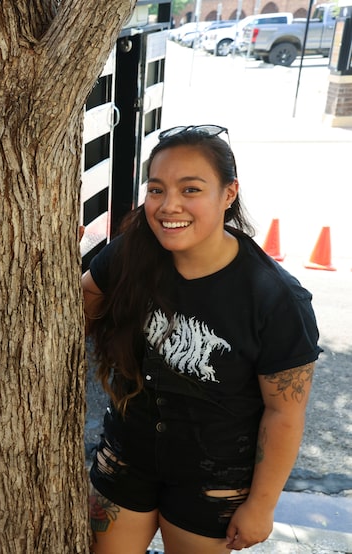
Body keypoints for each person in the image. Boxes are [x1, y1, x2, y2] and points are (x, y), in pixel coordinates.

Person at [82, 125, 321, 553]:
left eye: (190, 189)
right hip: (127, 456)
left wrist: (262, 507)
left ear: (228, 194)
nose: (168, 205)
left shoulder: (276, 299)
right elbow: (79, 305)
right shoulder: (129, 254)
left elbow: (284, 413)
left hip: (213, 477)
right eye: (156, 189)